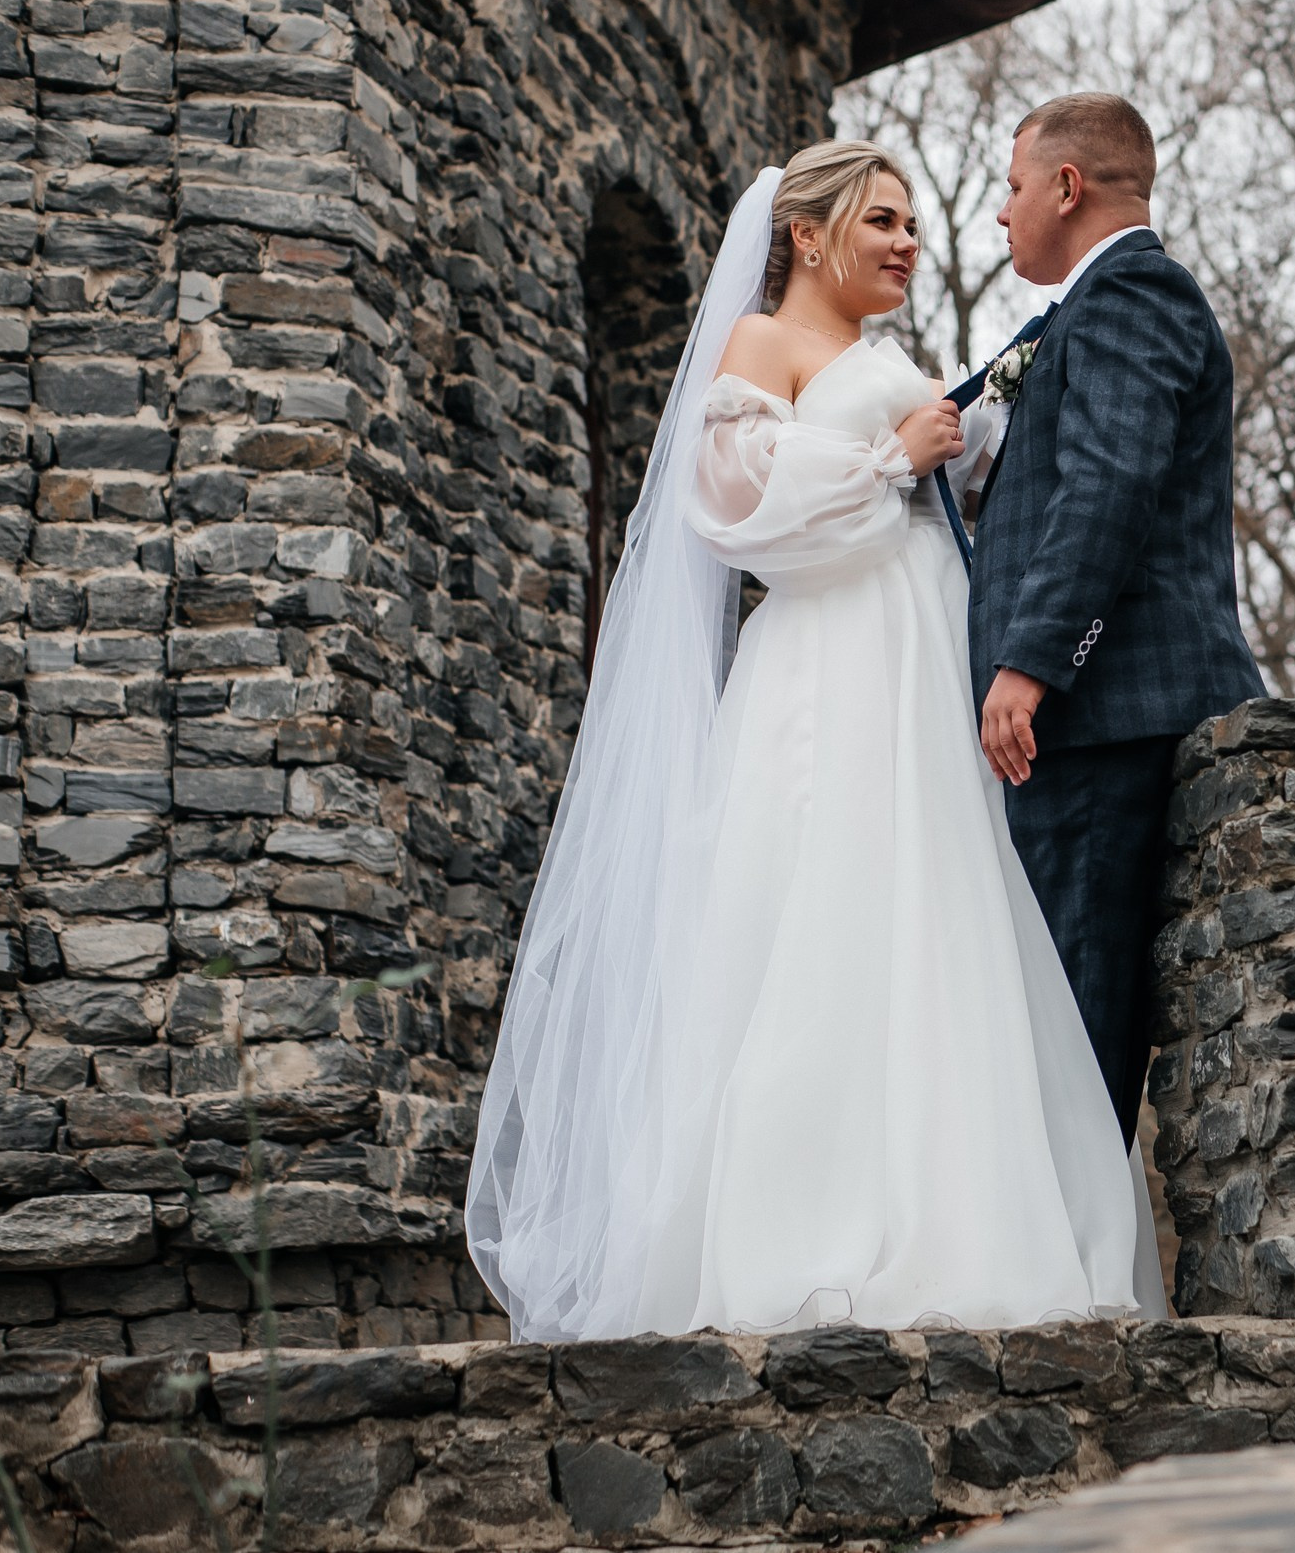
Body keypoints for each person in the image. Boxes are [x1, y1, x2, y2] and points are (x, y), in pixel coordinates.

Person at [466, 143, 1161, 1342]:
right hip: (828, 666)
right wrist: (900, 455)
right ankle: (800, 1232)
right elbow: (743, 513)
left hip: (918, 652)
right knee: (824, 909)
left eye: (912, 225)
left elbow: (945, 486)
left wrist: (983, 432)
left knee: (939, 915)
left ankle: (959, 1214)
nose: (905, 242)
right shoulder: (760, 350)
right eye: (882, 220)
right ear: (807, 232)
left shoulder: (886, 355)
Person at [969, 95, 1267, 1140]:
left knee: (1075, 1008)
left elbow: (1109, 487)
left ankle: (1078, 1285)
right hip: (1091, 720)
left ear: (1066, 185)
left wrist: (1032, 662)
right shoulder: (1085, 310)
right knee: (1057, 1003)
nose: (1000, 214)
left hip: (1103, 716)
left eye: (1010, 187)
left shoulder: (1132, 294)